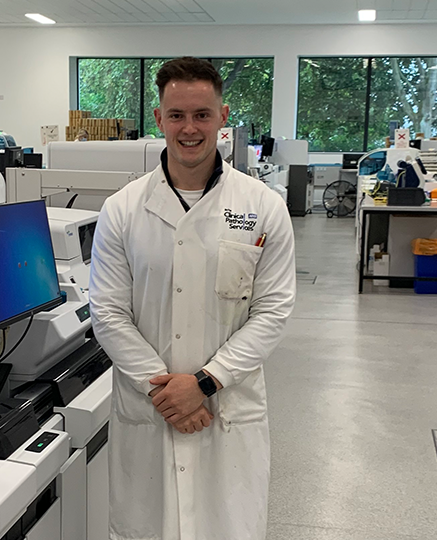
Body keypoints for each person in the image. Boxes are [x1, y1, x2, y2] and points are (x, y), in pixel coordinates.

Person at [89, 57, 297, 540]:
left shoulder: (261, 206)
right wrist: (166, 392)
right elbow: (109, 312)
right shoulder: (123, 209)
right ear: (159, 120)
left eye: (202, 114)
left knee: (228, 526)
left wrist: (204, 383)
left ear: (223, 118)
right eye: (177, 115)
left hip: (227, 408)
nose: (189, 128)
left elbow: (272, 311)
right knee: (147, 527)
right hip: (149, 408)